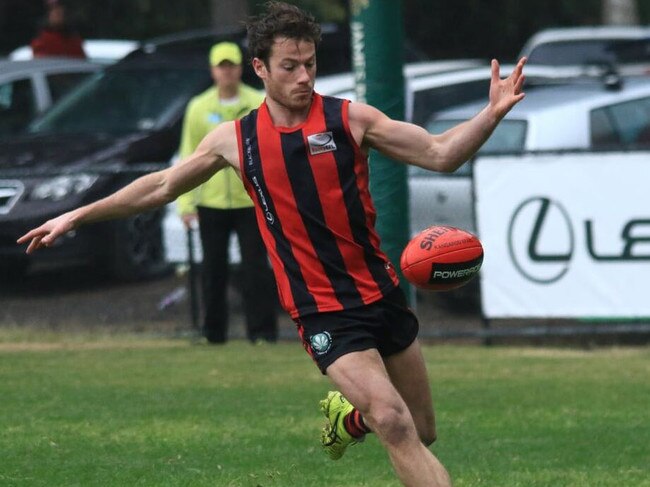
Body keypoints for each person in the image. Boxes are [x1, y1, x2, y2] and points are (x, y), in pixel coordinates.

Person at [18, 2, 526, 485]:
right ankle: (368, 415)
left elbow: (439, 154)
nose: (304, 76)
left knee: (423, 429)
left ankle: (347, 422)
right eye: (290, 66)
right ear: (259, 67)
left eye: (309, 63)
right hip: (322, 308)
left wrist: (493, 112)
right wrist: (79, 213)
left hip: (381, 291)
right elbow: (160, 185)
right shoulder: (233, 140)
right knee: (393, 421)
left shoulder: (350, 119)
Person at [176, 41, 278, 344]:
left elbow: (270, 152)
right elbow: (188, 155)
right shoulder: (198, 107)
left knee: (256, 268)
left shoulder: (259, 102)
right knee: (213, 270)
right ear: (212, 70)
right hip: (212, 203)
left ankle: (262, 333)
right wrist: (186, 203)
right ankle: (214, 333)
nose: (227, 72)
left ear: (240, 68)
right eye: (221, 66)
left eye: (231, 65)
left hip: (250, 201)